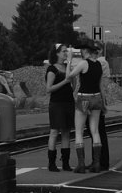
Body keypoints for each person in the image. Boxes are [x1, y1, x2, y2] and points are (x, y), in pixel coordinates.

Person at [68, 39, 106, 173]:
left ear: (85, 51)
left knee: (79, 131)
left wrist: (69, 60)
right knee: (95, 131)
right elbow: (101, 86)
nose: (81, 52)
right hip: (96, 98)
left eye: (82, 50)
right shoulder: (99, 65)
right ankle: (96, 164)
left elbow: (69, 76)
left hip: (84, 98)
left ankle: (81, 164)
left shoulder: (84, 63)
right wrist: (104, 101)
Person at [45, 43, 75, 172]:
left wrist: (70, 66)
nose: (65, 53)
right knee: (54, 132)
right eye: (63, 51)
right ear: (57, 53)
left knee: (66, 132)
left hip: (68, 102)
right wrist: (64, 81)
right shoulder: (52, 69)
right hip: (56, 104)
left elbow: (73, 83)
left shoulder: (67, 67)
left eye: (66, 51)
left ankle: (66, 162)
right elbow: (48, 89)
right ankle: (51, 163)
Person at [94, 41, 111, 171]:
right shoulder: (98, 62)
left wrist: (104, 102)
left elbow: (102, 85)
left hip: (98, 98)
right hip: (96, 98)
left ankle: (101, 161)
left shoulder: (101, 63)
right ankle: (97, 160)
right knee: (96, 131)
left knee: (98, 131)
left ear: (99, 51)